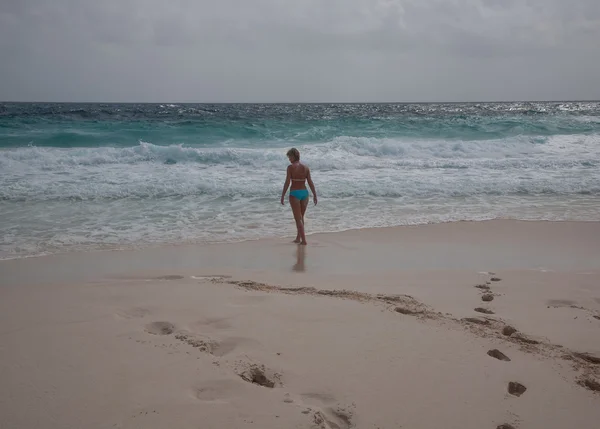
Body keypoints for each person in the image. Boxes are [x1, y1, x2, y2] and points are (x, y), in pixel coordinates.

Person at [280, 148, 317, 245]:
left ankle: (304, 240)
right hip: (305, 193)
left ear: (293, 156)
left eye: (289, 157)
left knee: (298, 219)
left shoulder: (290, 168)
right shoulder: (306, 168)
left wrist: (283, 195)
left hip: (295, 194)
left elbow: (287, 182)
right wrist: (315, 195)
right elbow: (310, 182)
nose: (289, 159)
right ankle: (298, 237)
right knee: (301, 217)